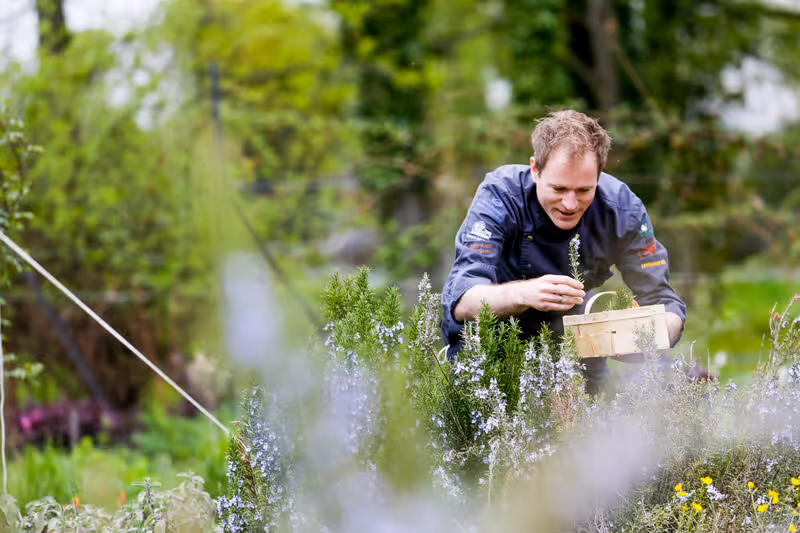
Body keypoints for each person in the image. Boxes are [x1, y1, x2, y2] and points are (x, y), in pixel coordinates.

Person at [440, 110, 686, 394]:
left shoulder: (623, 210)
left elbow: (666, 304)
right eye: (558, 188)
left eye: (583, 190)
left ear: (599, 175)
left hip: (577, 347)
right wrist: (525, 293)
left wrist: (637, 337)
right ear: (535, 170)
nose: (570, 204)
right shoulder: (500, 195)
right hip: (489, 348)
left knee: (591, 434)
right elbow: (461, 301)